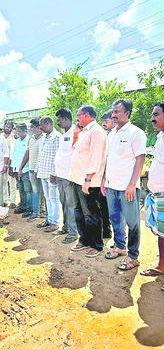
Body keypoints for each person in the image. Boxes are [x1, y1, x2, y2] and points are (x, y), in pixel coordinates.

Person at [102, 99, 146, 270]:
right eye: (112, 111)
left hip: (127, 187)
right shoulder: (112, 134)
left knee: (132, 222)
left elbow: (140, 159)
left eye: (117, 112)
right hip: (112, 185)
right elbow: (109, 160)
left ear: (127, 113)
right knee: (115, 219)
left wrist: (132, 184)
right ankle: (120, 246)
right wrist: (105, 180)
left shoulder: (136, 133)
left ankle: (133, 256)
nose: (113, 115)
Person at [68, 105, 106, 257]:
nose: (76, 118)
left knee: (91, 213)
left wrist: (88, 179)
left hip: (88, 181)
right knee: (79, 212)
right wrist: (76, 135)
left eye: (78, 115)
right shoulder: (83, 132)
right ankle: (83, 240)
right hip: (77, 179)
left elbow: (96, 158)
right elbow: (75, 151)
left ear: (87, 115)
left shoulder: (96, 131)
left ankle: (96, 245)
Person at [140, 101, 164, 290]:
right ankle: (162, 265)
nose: (152, 118)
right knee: (161, 233)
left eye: (156, 114)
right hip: (157, 194)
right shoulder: (160, 136)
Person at [51, 108, 78, 244]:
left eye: (59, 120)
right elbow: (61, 155)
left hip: (69, 176)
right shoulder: (64, 135)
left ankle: (73, 233)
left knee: (71, 204)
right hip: (60, 175)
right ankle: (66, 227)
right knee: (64, 203)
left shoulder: (75, 133)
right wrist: (55, 173)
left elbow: (76, 156)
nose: (58, 123)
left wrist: (73, 175)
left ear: (66, 119)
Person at [35, 116, 61, 232]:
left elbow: (58, 157)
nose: (40, 127)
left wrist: (54, 173)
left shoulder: (57, 137)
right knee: (47, 198)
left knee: (53, 198)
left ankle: (55, 222)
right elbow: (40, 155)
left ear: (48, 124)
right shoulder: (43, 137)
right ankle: (49, 220)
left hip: (51, 174)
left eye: (41, 125)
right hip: (42, 172)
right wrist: (36, 170)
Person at [18, 118, 43, 222]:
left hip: (43, 170)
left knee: (46, 193)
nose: (30, 129)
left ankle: (44, 211)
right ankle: (36, 212)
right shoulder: (31, 139)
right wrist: (21, 168)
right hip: (32, 169)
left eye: (32, 127)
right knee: (35, 191)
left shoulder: (44, 138)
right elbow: (27, 154)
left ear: (38, 127)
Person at [10, 124, 33, 217]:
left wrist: (21, 169)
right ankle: (23, 206)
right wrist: (12, 167)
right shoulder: (17, 141)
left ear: (25, 131)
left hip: (25, 170)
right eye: (17, 131)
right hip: (16, 169)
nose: (17, 133)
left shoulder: (29, 140)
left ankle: (29, 209)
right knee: (21, 190)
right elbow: (14, 154)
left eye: (19, 131)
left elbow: (27, 156)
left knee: (28, 190)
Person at [100, 109, 115, 240]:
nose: (104, 123)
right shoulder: (104, 135)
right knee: (104, 207)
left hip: (114, 178)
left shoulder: (115, 136)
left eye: (106, 121)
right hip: (102, 176)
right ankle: (106, 231)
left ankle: (119, 238)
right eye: (103, 121)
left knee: (115, 210)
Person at [2, 121, 16, 208]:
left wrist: (9, 165)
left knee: (12, 183)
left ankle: (13, 201)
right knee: (3, 183)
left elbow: (11, 154)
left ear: (11, 128)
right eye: (6, 126)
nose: (7, 128)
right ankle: (4, 200)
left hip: (10, 164)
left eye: (9, 127)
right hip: (1, 164)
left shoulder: (13, 139)